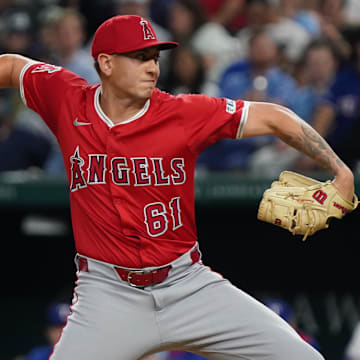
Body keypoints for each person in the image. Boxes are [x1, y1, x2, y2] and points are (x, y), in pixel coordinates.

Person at [0, 14, 355, 360]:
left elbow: (275, 117)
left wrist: (339, 169)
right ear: (106, 64)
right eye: (140, 58)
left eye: (154, 58)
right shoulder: (66, 98)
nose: (153, 67)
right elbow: (15, 67)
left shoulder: (184, 113)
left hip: (187, 285)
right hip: (108, 295)